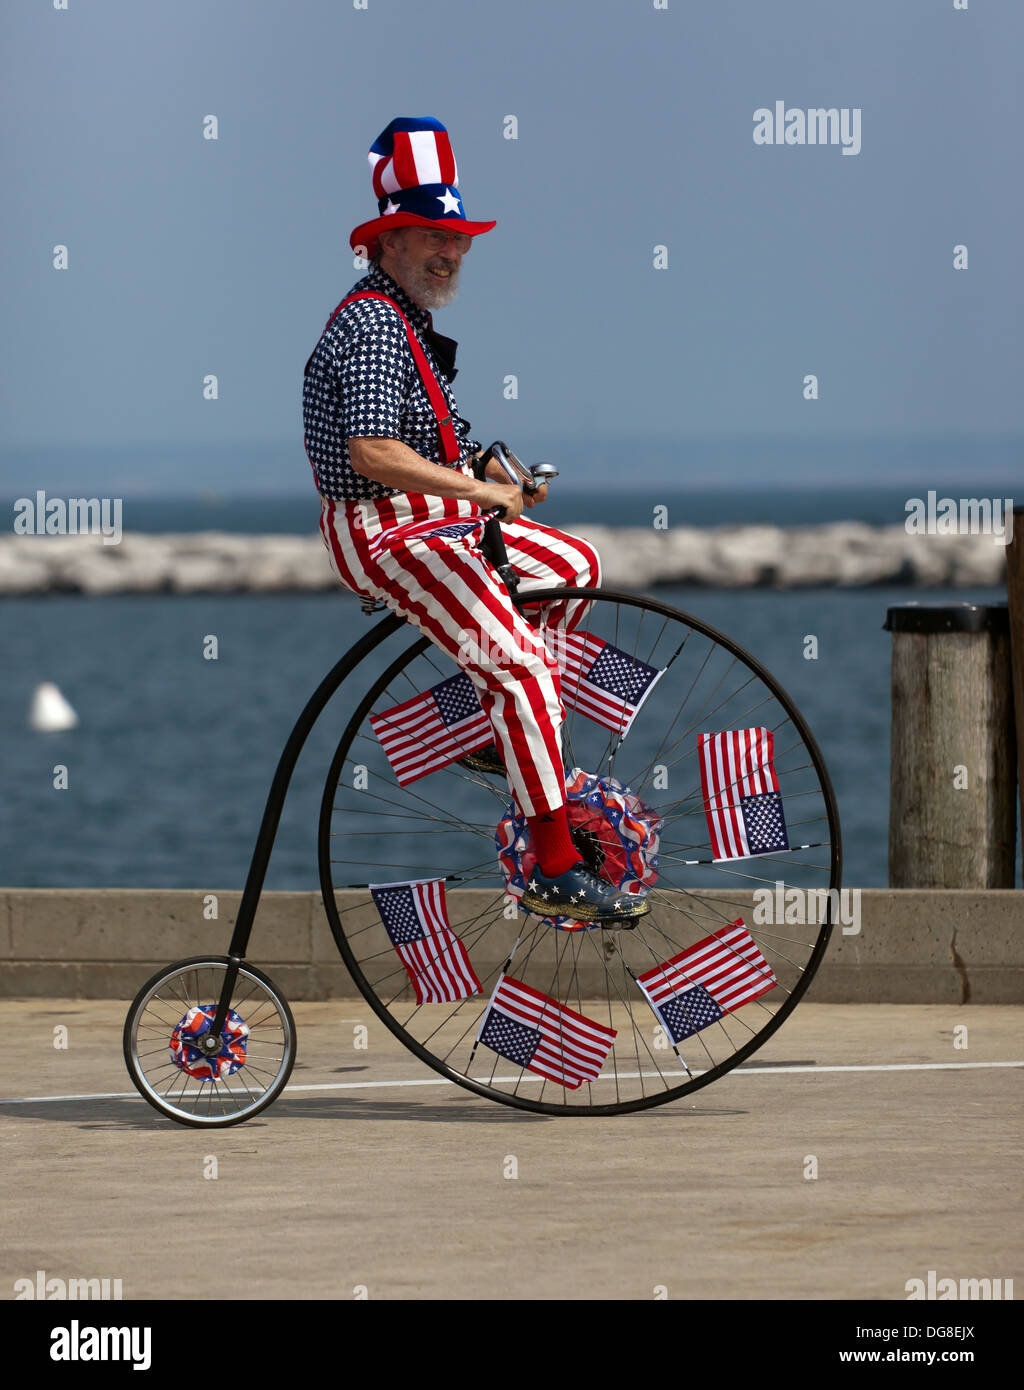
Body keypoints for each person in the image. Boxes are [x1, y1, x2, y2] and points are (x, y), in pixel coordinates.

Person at [303, 117, 646, 925]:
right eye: (430, 234)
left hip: (430, 513)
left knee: (574, 569)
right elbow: (373, 455)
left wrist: (488, 473)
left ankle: (491, 732)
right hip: (386, 530)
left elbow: (432, 443)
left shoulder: (409, 321)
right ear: (386, 242)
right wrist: (482, 498)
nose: (448, 250)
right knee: (523, 668)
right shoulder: (374, 327)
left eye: (456, 236)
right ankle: (554, 864)